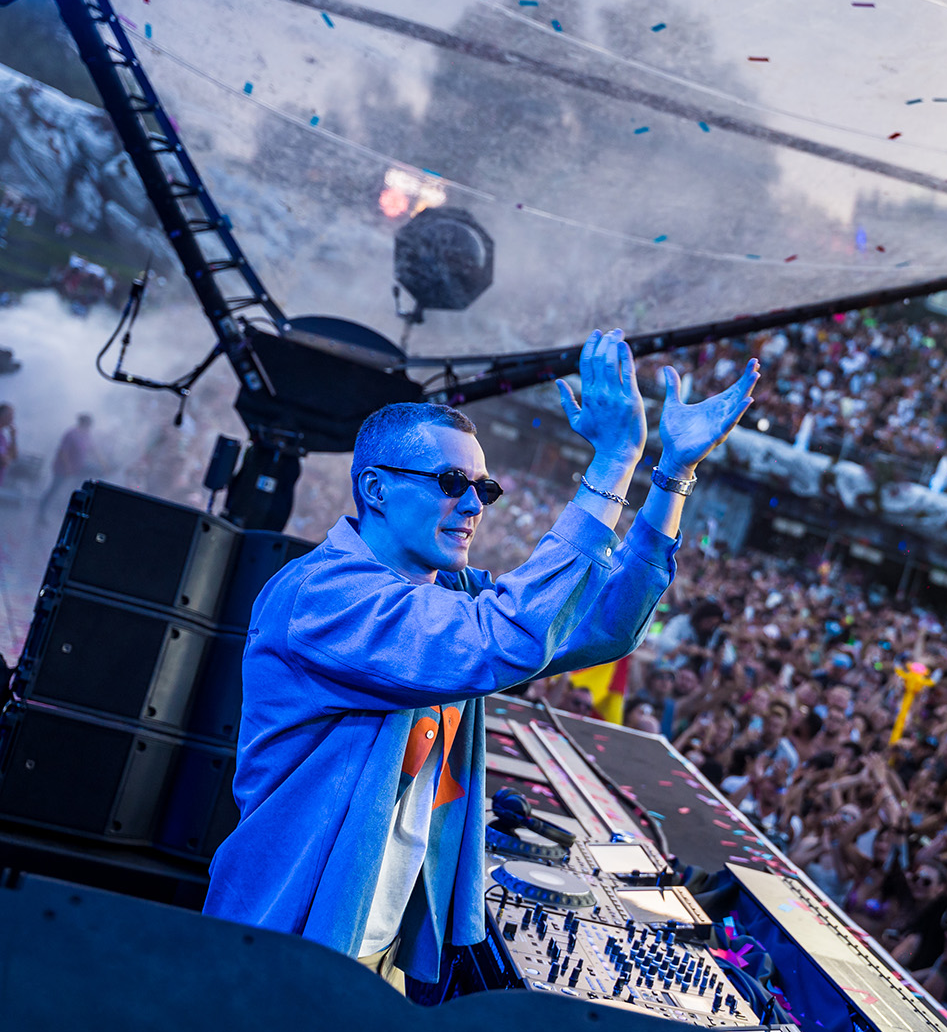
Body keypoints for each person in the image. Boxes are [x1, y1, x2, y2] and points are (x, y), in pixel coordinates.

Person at [202, 331, 758, 990]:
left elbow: (604, 626)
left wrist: (671, 478)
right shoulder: (323, 596)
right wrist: (612, 463)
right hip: (288, 937)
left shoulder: (451, 593)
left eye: (483, 488)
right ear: (375, 489)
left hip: (375, 947)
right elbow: (501, 637)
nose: (473, 505)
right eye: (450, 483)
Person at [38, 411, 99, 525]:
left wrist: (103, 463)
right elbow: (63, 452)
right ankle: (41, 513)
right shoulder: (71, 433)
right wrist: (68, 467)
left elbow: (93, 449)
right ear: (84, 423)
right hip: (63, 468)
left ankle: (65, 514)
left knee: (72, 490)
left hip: (77, 468)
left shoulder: (86, 435)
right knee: (53, 490)